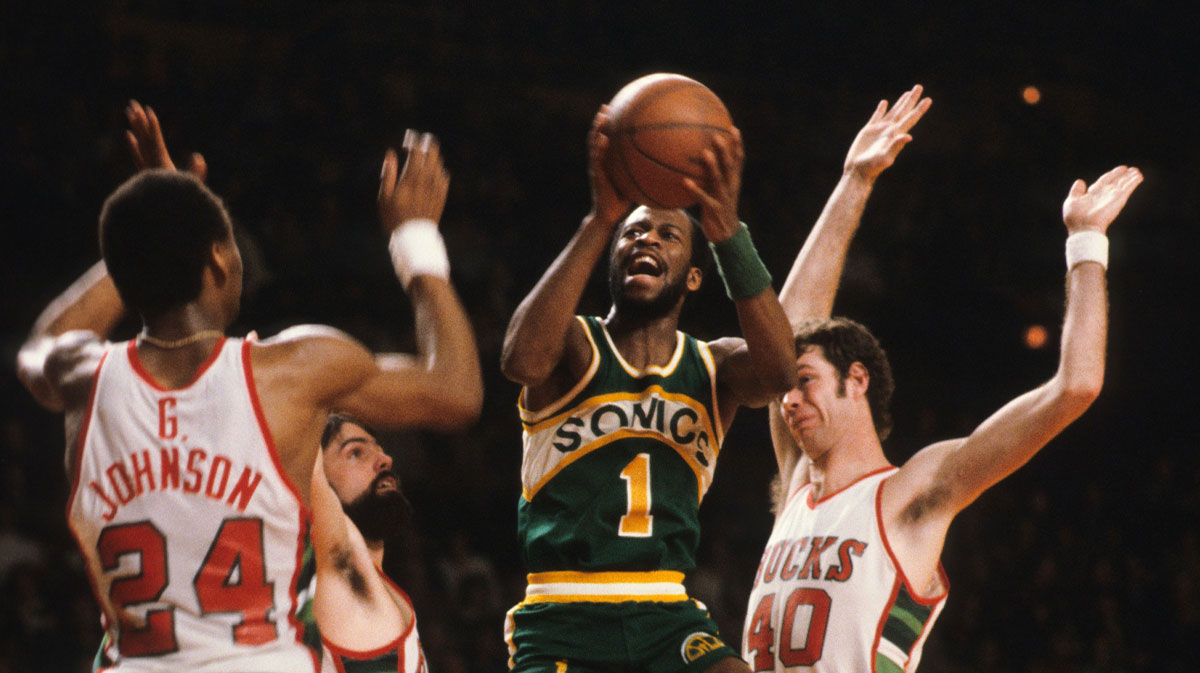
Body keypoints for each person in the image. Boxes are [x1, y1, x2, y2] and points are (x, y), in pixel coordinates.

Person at [16, 101, 482, 672]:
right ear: (216, 259)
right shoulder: (291, 369)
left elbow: (39, 344)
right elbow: (456, 389)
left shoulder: (80, 376)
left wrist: (152, 234)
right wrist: (414, 236)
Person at [740, 86, 1143, 673]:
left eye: (805, 382)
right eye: (787, 389)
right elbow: (785, 332)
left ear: (857, 380)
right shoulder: (798, 480)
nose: (787, 400)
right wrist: (855, 181)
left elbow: (1075, 386)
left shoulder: (911, 492)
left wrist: (1086, 242)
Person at [499, 102, 796, 673]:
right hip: (564, 612)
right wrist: (599, 219)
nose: (647, 240)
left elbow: (782, 373)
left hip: (667, 612)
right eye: (632, 232)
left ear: (692, 273)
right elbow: (520, 361)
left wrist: (729, 235)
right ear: (612, 258)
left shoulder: (716, 366)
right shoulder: (575, 346)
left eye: (667, 234)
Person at [300, 413, 427, 673]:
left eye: (380, 450)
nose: (385, 459)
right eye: (356, 453)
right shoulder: (342, 566)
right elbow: (302, 412)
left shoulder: (383, 587)